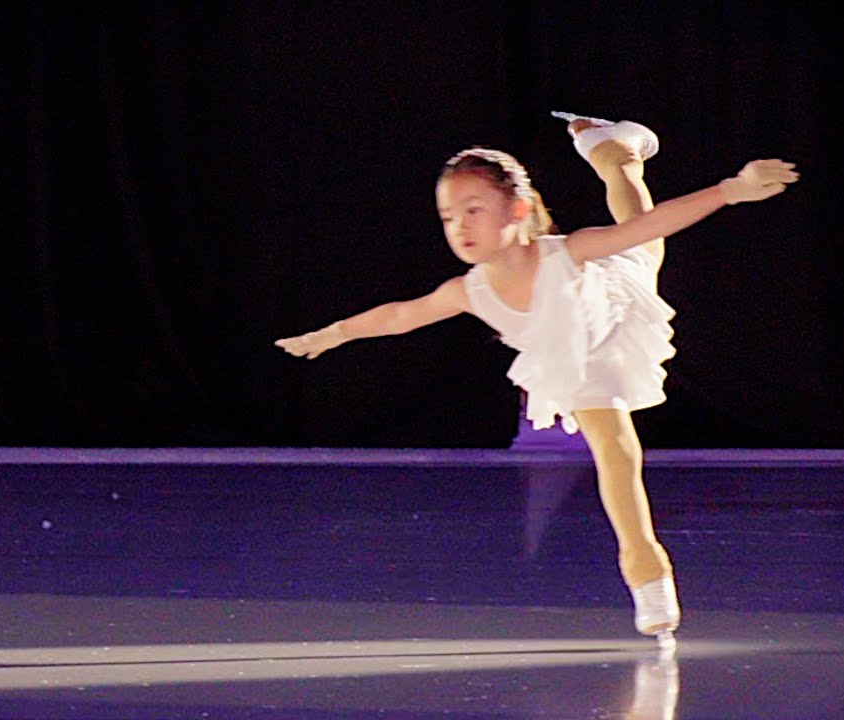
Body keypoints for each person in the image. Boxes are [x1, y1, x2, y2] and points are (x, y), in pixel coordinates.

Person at [276, 113, 799, 648]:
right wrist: (335, 333)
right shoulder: (469, 290)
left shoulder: (566, 253)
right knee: (614, 444)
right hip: (579, 357)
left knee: (641, 242)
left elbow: (649, 227)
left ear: (519, 211)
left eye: (474, 210)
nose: (460, 225)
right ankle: (613, 153)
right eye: (448, 215)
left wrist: (732, 189)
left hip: (612, 309)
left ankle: (616, 156)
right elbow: (400, 315)